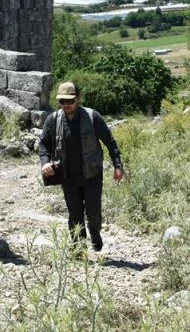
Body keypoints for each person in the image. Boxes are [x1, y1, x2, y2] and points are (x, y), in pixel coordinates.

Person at [39, 82, 124, 252]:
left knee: (93, 213)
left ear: (77, 98)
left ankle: (95, 232)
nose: (66, 105)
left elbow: (110, 142)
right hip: (68, 177)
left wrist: (117, 165)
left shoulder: (93, 117)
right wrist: (45, 162)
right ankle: (78, 249)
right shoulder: (53, 120)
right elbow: (43, 145)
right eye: (62, 102)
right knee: (74, 215)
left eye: (70, 101)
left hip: (92, 175)